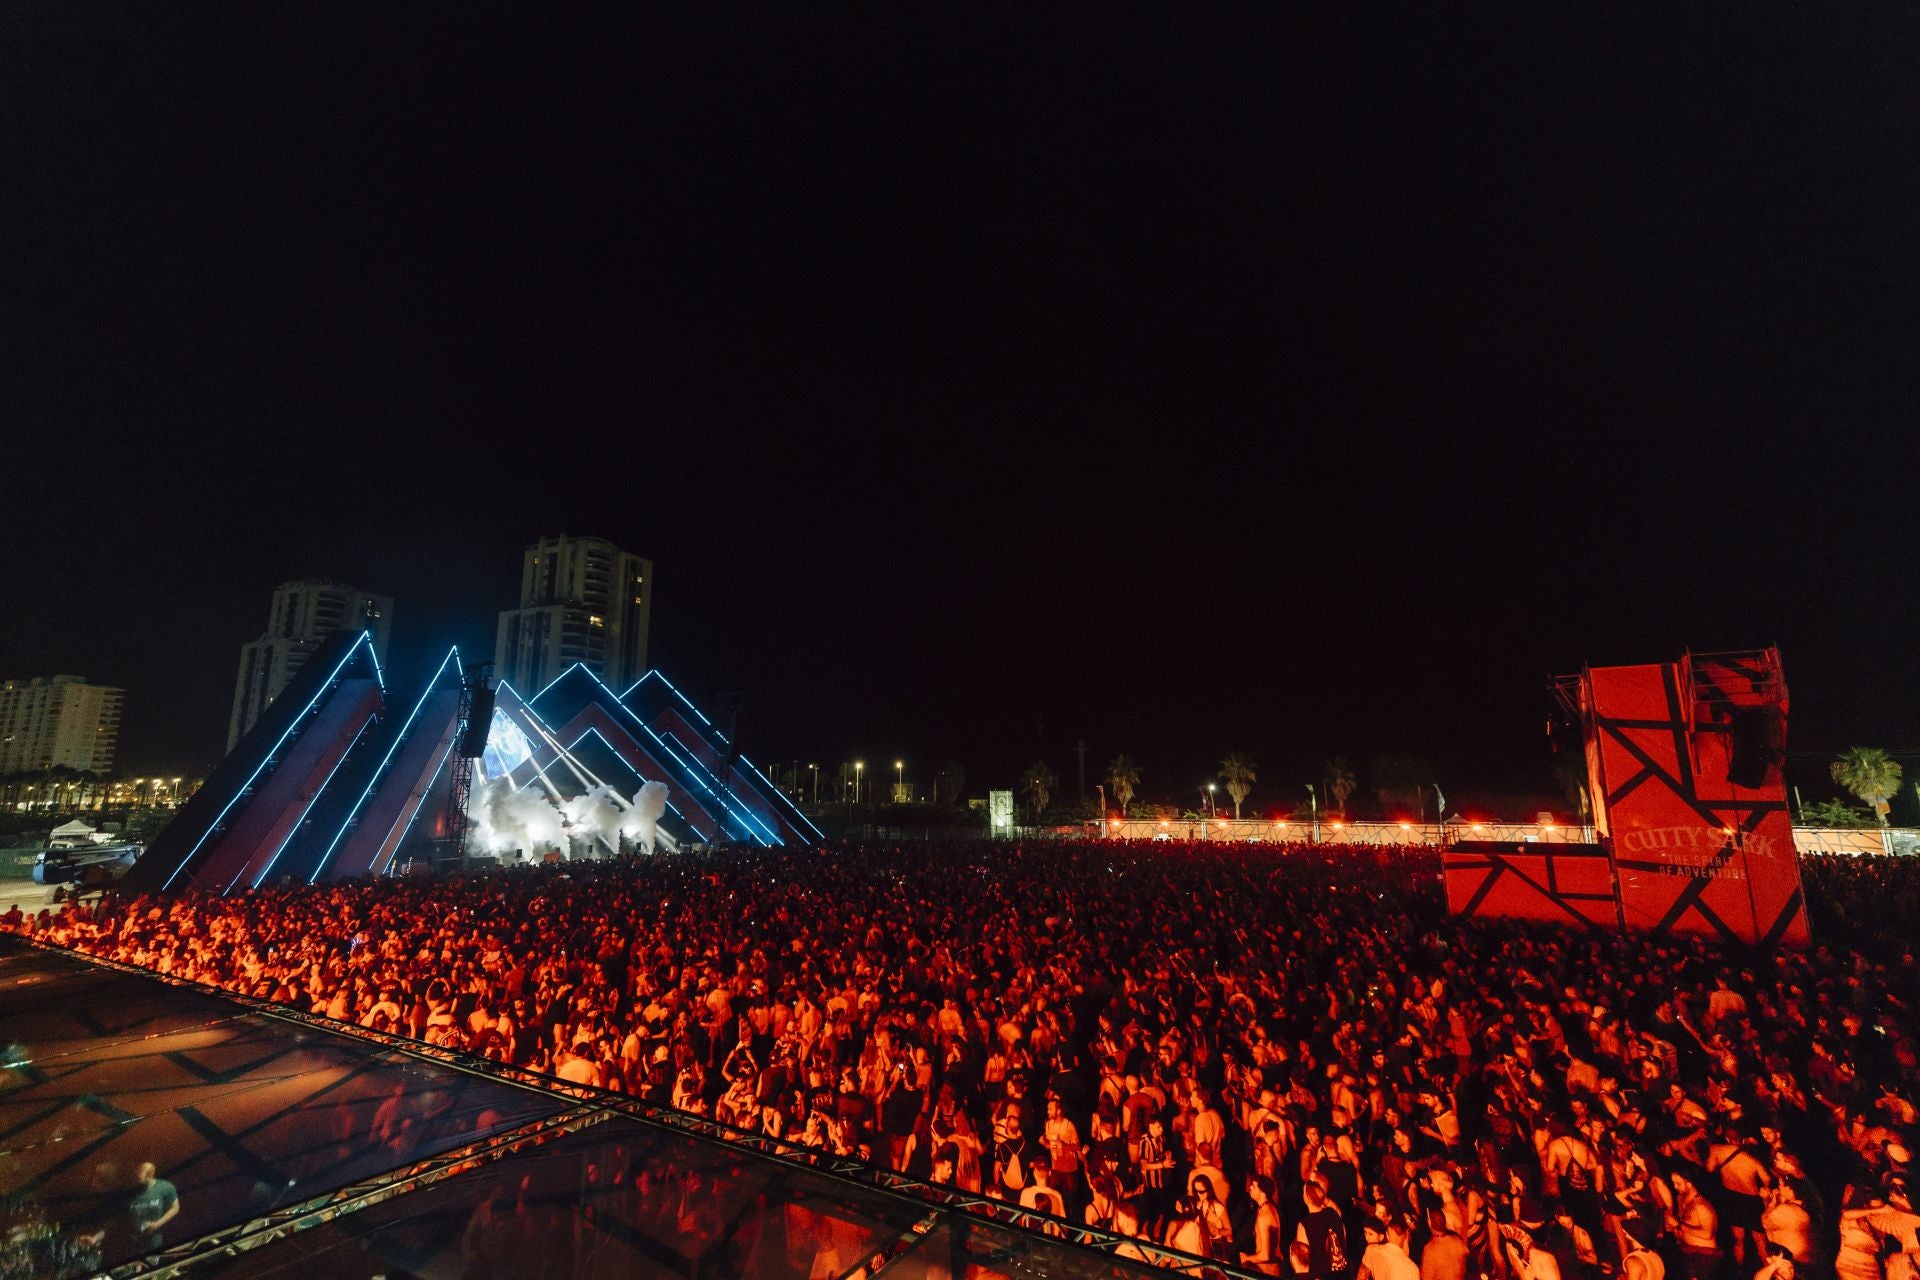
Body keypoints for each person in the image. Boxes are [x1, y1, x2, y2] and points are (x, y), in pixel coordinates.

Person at [128, 1161, 180, 1253]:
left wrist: (157, 1224)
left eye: (141, 1175)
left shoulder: (165, 1187)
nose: (138, 1178)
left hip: (157, 1240)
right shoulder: (132, 1192)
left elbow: (175, 1208)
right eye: (137, 1174)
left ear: (151, 1174)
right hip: (136, 1242)